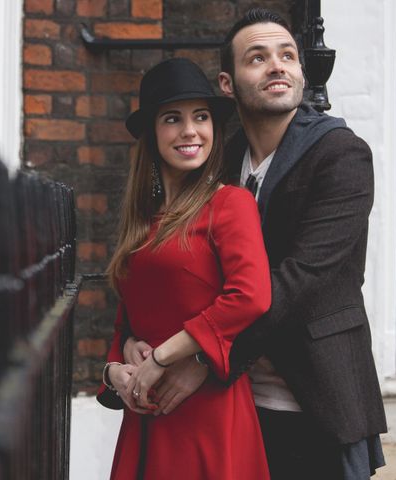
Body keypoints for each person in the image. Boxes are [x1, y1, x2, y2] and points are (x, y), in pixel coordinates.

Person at [123, 8, 388, 480]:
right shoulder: (218, 162)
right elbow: (165, 260)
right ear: (228, 83)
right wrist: (130, 343)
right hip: (232, 404)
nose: (277, 66)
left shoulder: (341, 155)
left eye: (288, 55)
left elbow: (299, 280)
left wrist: (204, 358)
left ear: (303, 74)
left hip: (314, 397)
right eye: (258, 58)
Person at [97, 57, 271, 479]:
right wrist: (114, 370)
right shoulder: (142, 220)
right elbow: (127, 321)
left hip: (208, 410)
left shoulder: (230, 204)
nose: (190, 130)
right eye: (173, 119)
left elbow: (252, 295)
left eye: (201, 117)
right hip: (146, 411)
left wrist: (164, 354)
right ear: (153, 135)